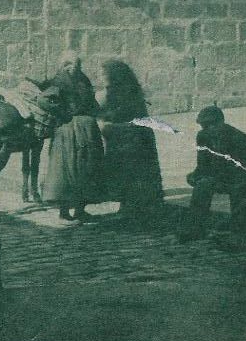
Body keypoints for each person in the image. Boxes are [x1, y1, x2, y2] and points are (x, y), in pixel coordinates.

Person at [179, 105, 246, 242]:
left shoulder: (237, 137)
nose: (209, 128)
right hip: (222, 177)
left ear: (221, 122)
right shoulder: (202, 137)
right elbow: (203, 164)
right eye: (205, 125)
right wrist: (195, 176)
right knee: (202, 185)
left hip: (245, 177)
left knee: (239, 188)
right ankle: (195, 229)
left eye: (213, 124)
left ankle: (239, 232)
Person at [97, 59, 164, 222]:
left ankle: (132, 208)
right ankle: (132, 207)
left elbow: (124, 116)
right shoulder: (129, 90)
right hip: (129, 137)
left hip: (131, 139)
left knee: (130, 174)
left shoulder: (123, 92)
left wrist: (108, 124)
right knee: (130, 174)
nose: (100, 77)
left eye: (103, 74)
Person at [41, 52, 104, 222]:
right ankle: (64, 211)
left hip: (88, 131)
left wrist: (95, 112)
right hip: (67, 131)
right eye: (70, 64)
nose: (74, 67)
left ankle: (80, 210)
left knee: (86, 169)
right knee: (65, 171)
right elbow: (44, 100)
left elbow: (92, 101)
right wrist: (62, 112)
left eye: (77, 64)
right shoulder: (59, 81)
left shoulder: (83, 80)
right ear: (64, 65)